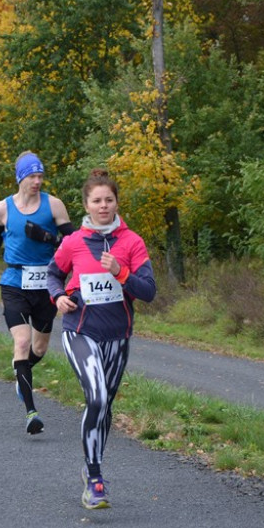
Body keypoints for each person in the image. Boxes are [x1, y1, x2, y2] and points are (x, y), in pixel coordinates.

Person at [47, 168, 156, 509]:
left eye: (109, 199)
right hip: (80, 330)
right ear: (87, 205)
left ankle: (92, 466)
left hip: (117, 335)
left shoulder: (132, 242)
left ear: (117, 202)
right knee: (96, 397)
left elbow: (149, 291)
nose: (103, 206)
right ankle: (95, 478)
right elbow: (54, 273)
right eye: (97, 200)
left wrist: (120, 273)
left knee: (105, 403)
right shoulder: (74, 242)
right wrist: (57, 297)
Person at [0, 151, 73, 435]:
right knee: (21, 342)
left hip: (46, 283)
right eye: (32, 176)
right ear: (21, 177)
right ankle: (31, 412)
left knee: (39, 348)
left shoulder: (54, 206)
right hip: (14, 281)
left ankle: (23, 373)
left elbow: (74, 240)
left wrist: (49, 238)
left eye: (41, 176)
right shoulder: (3, 208)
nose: (37, 181)